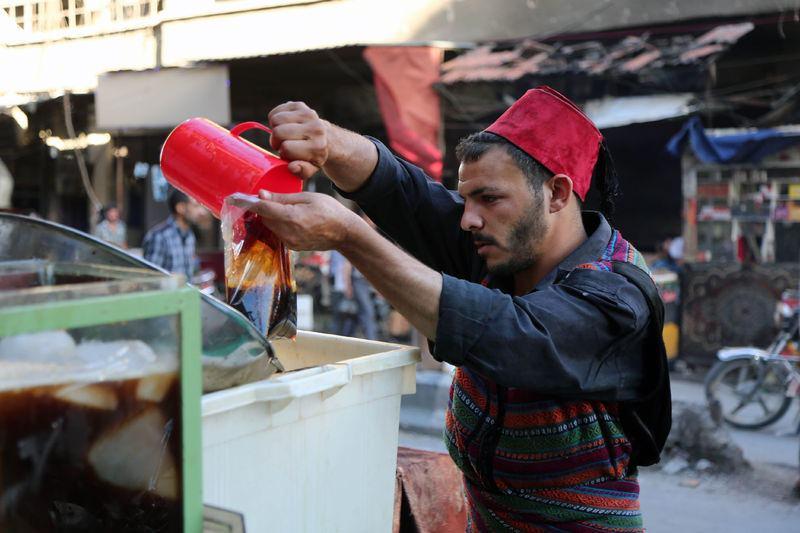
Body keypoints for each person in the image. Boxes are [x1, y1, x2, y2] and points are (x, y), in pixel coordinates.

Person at [231, 87, 671, 531]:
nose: (468, 219)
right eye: (467, 199)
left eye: (490, 198)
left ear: (556, 193)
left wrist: (349, 236)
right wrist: (324, 140)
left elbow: (508, 331)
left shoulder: (614, 296)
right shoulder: (501, 242)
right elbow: (404, 192)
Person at [142, 190, 199, 279]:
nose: (200, 211)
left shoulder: (190, 235)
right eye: (195, 206)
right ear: (180, 208)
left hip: (186, 293)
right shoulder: (160, 236)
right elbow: (151, 278)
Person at [329, 249, 378, 340]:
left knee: (355, 314)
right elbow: (347, 265)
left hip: (363, 282)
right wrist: (348, 285)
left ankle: (347, 337)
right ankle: (372, 338)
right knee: (367, 312)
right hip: (358, 282)